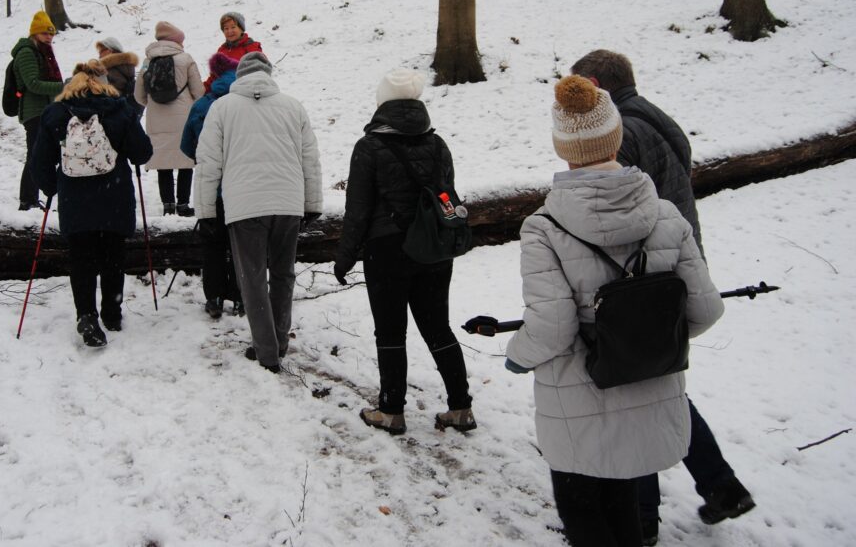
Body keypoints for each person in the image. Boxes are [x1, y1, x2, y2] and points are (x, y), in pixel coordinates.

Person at [505, 75, 725, 547]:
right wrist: (645, 334)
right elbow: (706, 309)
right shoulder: (666, 214)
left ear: (563, 147)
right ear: (617, 136)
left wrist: (518, 354)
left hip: (577, 404)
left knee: (587, 522)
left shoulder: (543, 227)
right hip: (649, 390)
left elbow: (553, 328)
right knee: (627, 518)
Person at [571, 49, 755, 543]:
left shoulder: (624, 131)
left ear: (594, 84)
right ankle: (720, 485)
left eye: (578, 88)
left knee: (634, 392)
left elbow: (618, 212)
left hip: (643, 279)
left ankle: (644, 521)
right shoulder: (652, 115)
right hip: (670, 269)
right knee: (658, 387)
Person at [333, 69, 475, 436]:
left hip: (387, 250)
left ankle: (392, 411)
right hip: (433, 248)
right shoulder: (438, 143)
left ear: (382, 103)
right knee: (438, 327)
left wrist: (345, 256)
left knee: (391, 332)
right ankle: (461, 407)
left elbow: (358, 209)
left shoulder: (369, 147)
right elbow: (445, 196)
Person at [194, 52, 322, 373]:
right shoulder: (293, 107)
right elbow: (310, 160)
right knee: (283, 273)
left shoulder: (221, 107)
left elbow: (208, 163)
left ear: (240, 75)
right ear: (268, 74)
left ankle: (266, 351)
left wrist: (206, 211)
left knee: (251, 277)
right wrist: (312, 204)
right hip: (288, 202)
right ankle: (278, 341)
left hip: (245, 205)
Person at [30, 60, 153, 347]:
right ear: (103, 82)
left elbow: (38, 164)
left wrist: (52, 188)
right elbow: (142, 152)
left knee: (81, 259)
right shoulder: (118, 109)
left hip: (76, 199)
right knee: (113, 256)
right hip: (114, 197)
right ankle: (112, 313)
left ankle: (86, 314)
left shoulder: (55, 113)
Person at [180, 53, 244, 319]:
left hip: (211, 187)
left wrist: (203, 158)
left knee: (213, 245)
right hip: (241, 189)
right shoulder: (245, 105)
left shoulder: (203, 105)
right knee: (241, 245)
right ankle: (241, 296)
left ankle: (214, 297)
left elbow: (186, 145)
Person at [133, 21, 205, 216]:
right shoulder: (185, 59)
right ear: (176, 41)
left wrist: (154, 105)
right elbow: (199, 92)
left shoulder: (147, 62)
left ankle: (167, 205)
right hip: (183, 116)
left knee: (162, 163)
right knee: (185, 160)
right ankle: (183, 204)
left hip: (156, 118)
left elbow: (138, 95)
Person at [13, 10, 64, 211]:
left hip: (45, 110)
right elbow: (32, 84)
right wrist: (62, 87)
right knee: (34, 155)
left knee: (41, 154)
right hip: (34, 112)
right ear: (35, 34)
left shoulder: (43, 53)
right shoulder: (27, 53)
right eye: (45, 34)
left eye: (51, 34)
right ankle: (27, 199)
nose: (49, 37)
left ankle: (32, 198)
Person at [203, 12, 263, 91]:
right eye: (226, 28)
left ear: (241, 29)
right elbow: (214, 76)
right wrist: (203, 89)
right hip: (221, 92)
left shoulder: (251, 47)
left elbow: (261, 72)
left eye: (233, 27)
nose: (229, 31)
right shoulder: (222, 50)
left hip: (244, 92)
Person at [95, 36, 140, 110]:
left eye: (101, 51)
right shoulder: (127, 66)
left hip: (112, 111)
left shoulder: (109, 69)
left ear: (109, 50)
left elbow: (113, 92)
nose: (99, 55)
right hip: (125, 111)